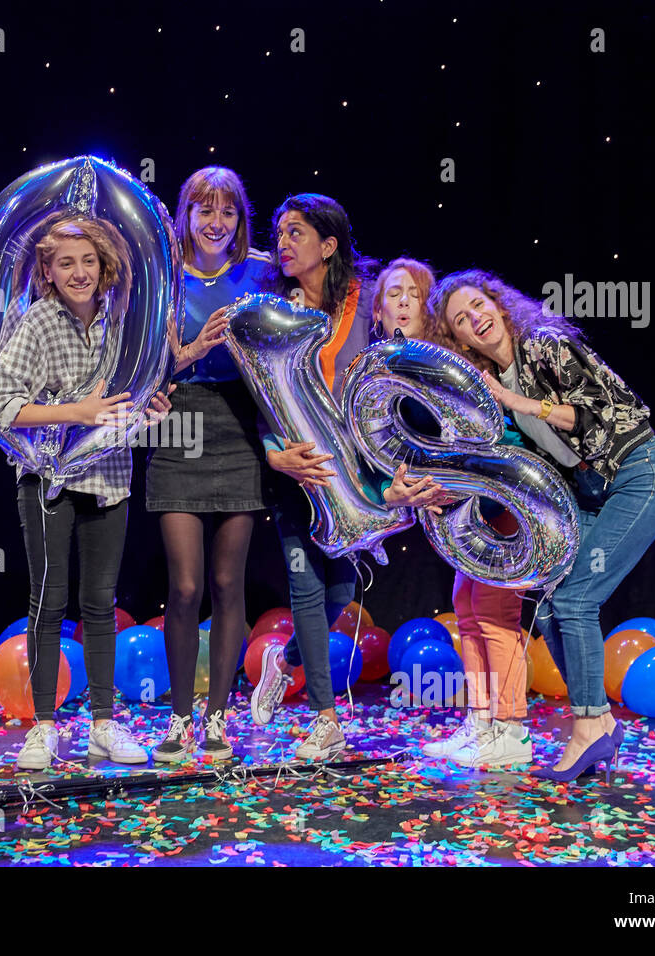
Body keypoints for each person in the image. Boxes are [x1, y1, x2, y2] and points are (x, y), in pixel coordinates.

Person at [432, 269, 655, 783]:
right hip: (594, 490)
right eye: (461, 319)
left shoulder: (544, 344)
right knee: (548, 607)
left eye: (479, 305)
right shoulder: (498, 383)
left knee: (575, 600)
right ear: (457, 337)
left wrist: (520, 404)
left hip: (641, 473)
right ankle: (601, 720)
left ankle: (589, 724)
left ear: (499, 305)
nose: (475, 319)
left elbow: (607, 413)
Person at [249, 197, 446, 760]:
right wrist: (273, 453)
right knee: (306, 587)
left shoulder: (365, 306)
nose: (283, 242)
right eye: (280, 232)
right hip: (297, 471)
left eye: (297, 233)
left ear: (329, 245)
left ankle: (282, 661)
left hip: (356, 479)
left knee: (340, 591)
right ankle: (325, 720)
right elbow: (263, 397)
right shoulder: (272, 308)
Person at [0, 216, 171, 771]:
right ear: (46, 270)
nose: (79, 271)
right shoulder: (37, 321)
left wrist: (149, 413)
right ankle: (43, 729)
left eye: (87, 260)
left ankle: (103, 727)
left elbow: (125, 411)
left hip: (109, 477)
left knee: (100, 605)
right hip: (48, 478)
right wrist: (77, 410)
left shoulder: (121, 325)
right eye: (65, 262)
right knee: (48, 602)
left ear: (104, 265)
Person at [371, 258, 533, 767]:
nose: (401, 302)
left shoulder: (455, 365)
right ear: (377, 311)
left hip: (497, 503)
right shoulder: (388, 369)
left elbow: (498, 437)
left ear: (431, 309)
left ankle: (512, 729)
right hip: (459, 514)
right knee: (467, 606)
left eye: (413, 294)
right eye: (391, 294)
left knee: (496, 612)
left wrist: (461, 474)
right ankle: (482, 721)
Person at [146, 168, 271, 764]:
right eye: (204, 210)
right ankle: (179, 720)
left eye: (227, 212)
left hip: (240, 424)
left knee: (227, 584)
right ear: (186, 215)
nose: (216, 223)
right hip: (179, 421)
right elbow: (146, 365)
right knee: (186, 584)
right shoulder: (162, 278)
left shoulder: (260, 273)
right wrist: (187, 355)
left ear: (239, 219)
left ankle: (217, 718)